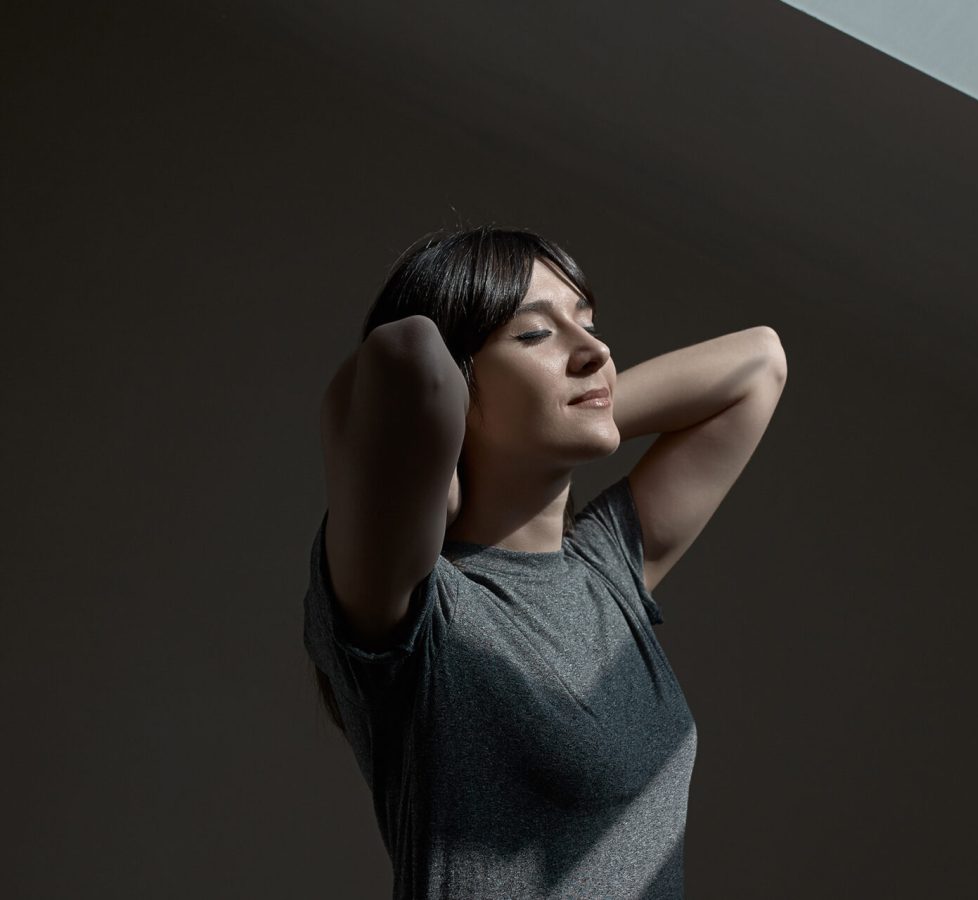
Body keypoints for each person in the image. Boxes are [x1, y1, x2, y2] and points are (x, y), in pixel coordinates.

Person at [302, 224, 787, 899]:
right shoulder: (419, 612)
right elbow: (405, 354)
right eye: (534, 335)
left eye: (588, 322)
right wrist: (471, 448)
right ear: (461, 386)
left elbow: (759, 362)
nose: (594, 351)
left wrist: (567, 421)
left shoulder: (607, 573)